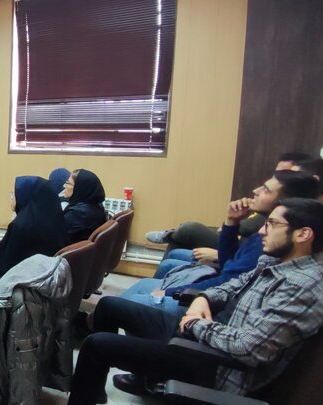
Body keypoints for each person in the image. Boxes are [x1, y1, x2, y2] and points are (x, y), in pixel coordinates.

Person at [67, 198, 323, 404]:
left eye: (272, 224)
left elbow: (248, 347)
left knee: (96, 346)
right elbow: (230, 286)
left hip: (214, 362)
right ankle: (93, 391)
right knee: (109, 306)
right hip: (206, 334)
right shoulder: (275, 262)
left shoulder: (301, 286)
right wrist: (202, 298)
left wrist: (194, 324)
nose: (262, 231)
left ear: (303, 234)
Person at [119, 171, 320, 315]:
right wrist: (231, 222)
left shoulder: (271, 244)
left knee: (128, 301)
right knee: (144, 287)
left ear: (285, 202)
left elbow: (227, 279)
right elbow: (228, 266)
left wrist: (173, 293)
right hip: (214, 293)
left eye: (266, 190)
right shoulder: (266, 231)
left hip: (215, 309)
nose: (256, 190)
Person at [146, 152, 317, 249]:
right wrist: (231, 222)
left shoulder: (295, 219)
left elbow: (236, 273)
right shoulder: (266, 216)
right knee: (176, 252)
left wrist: (231, 227)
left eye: (289, 174)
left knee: (190, 230)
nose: (256, 191)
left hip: (231, 271)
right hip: (233, 260)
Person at [0, 176, 70, 305]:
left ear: (26, 197)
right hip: (41, 290)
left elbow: (3, 270)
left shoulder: (21, 227)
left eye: (14, 194)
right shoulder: (57, 221)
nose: (12, 198)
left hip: (10, 294)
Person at [62, 169, 107, 242]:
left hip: (70, 248)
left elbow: (58, 236)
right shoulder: (97, 206)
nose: (64, 186)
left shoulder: (77, 213)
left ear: (79, 188)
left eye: (68, 183)